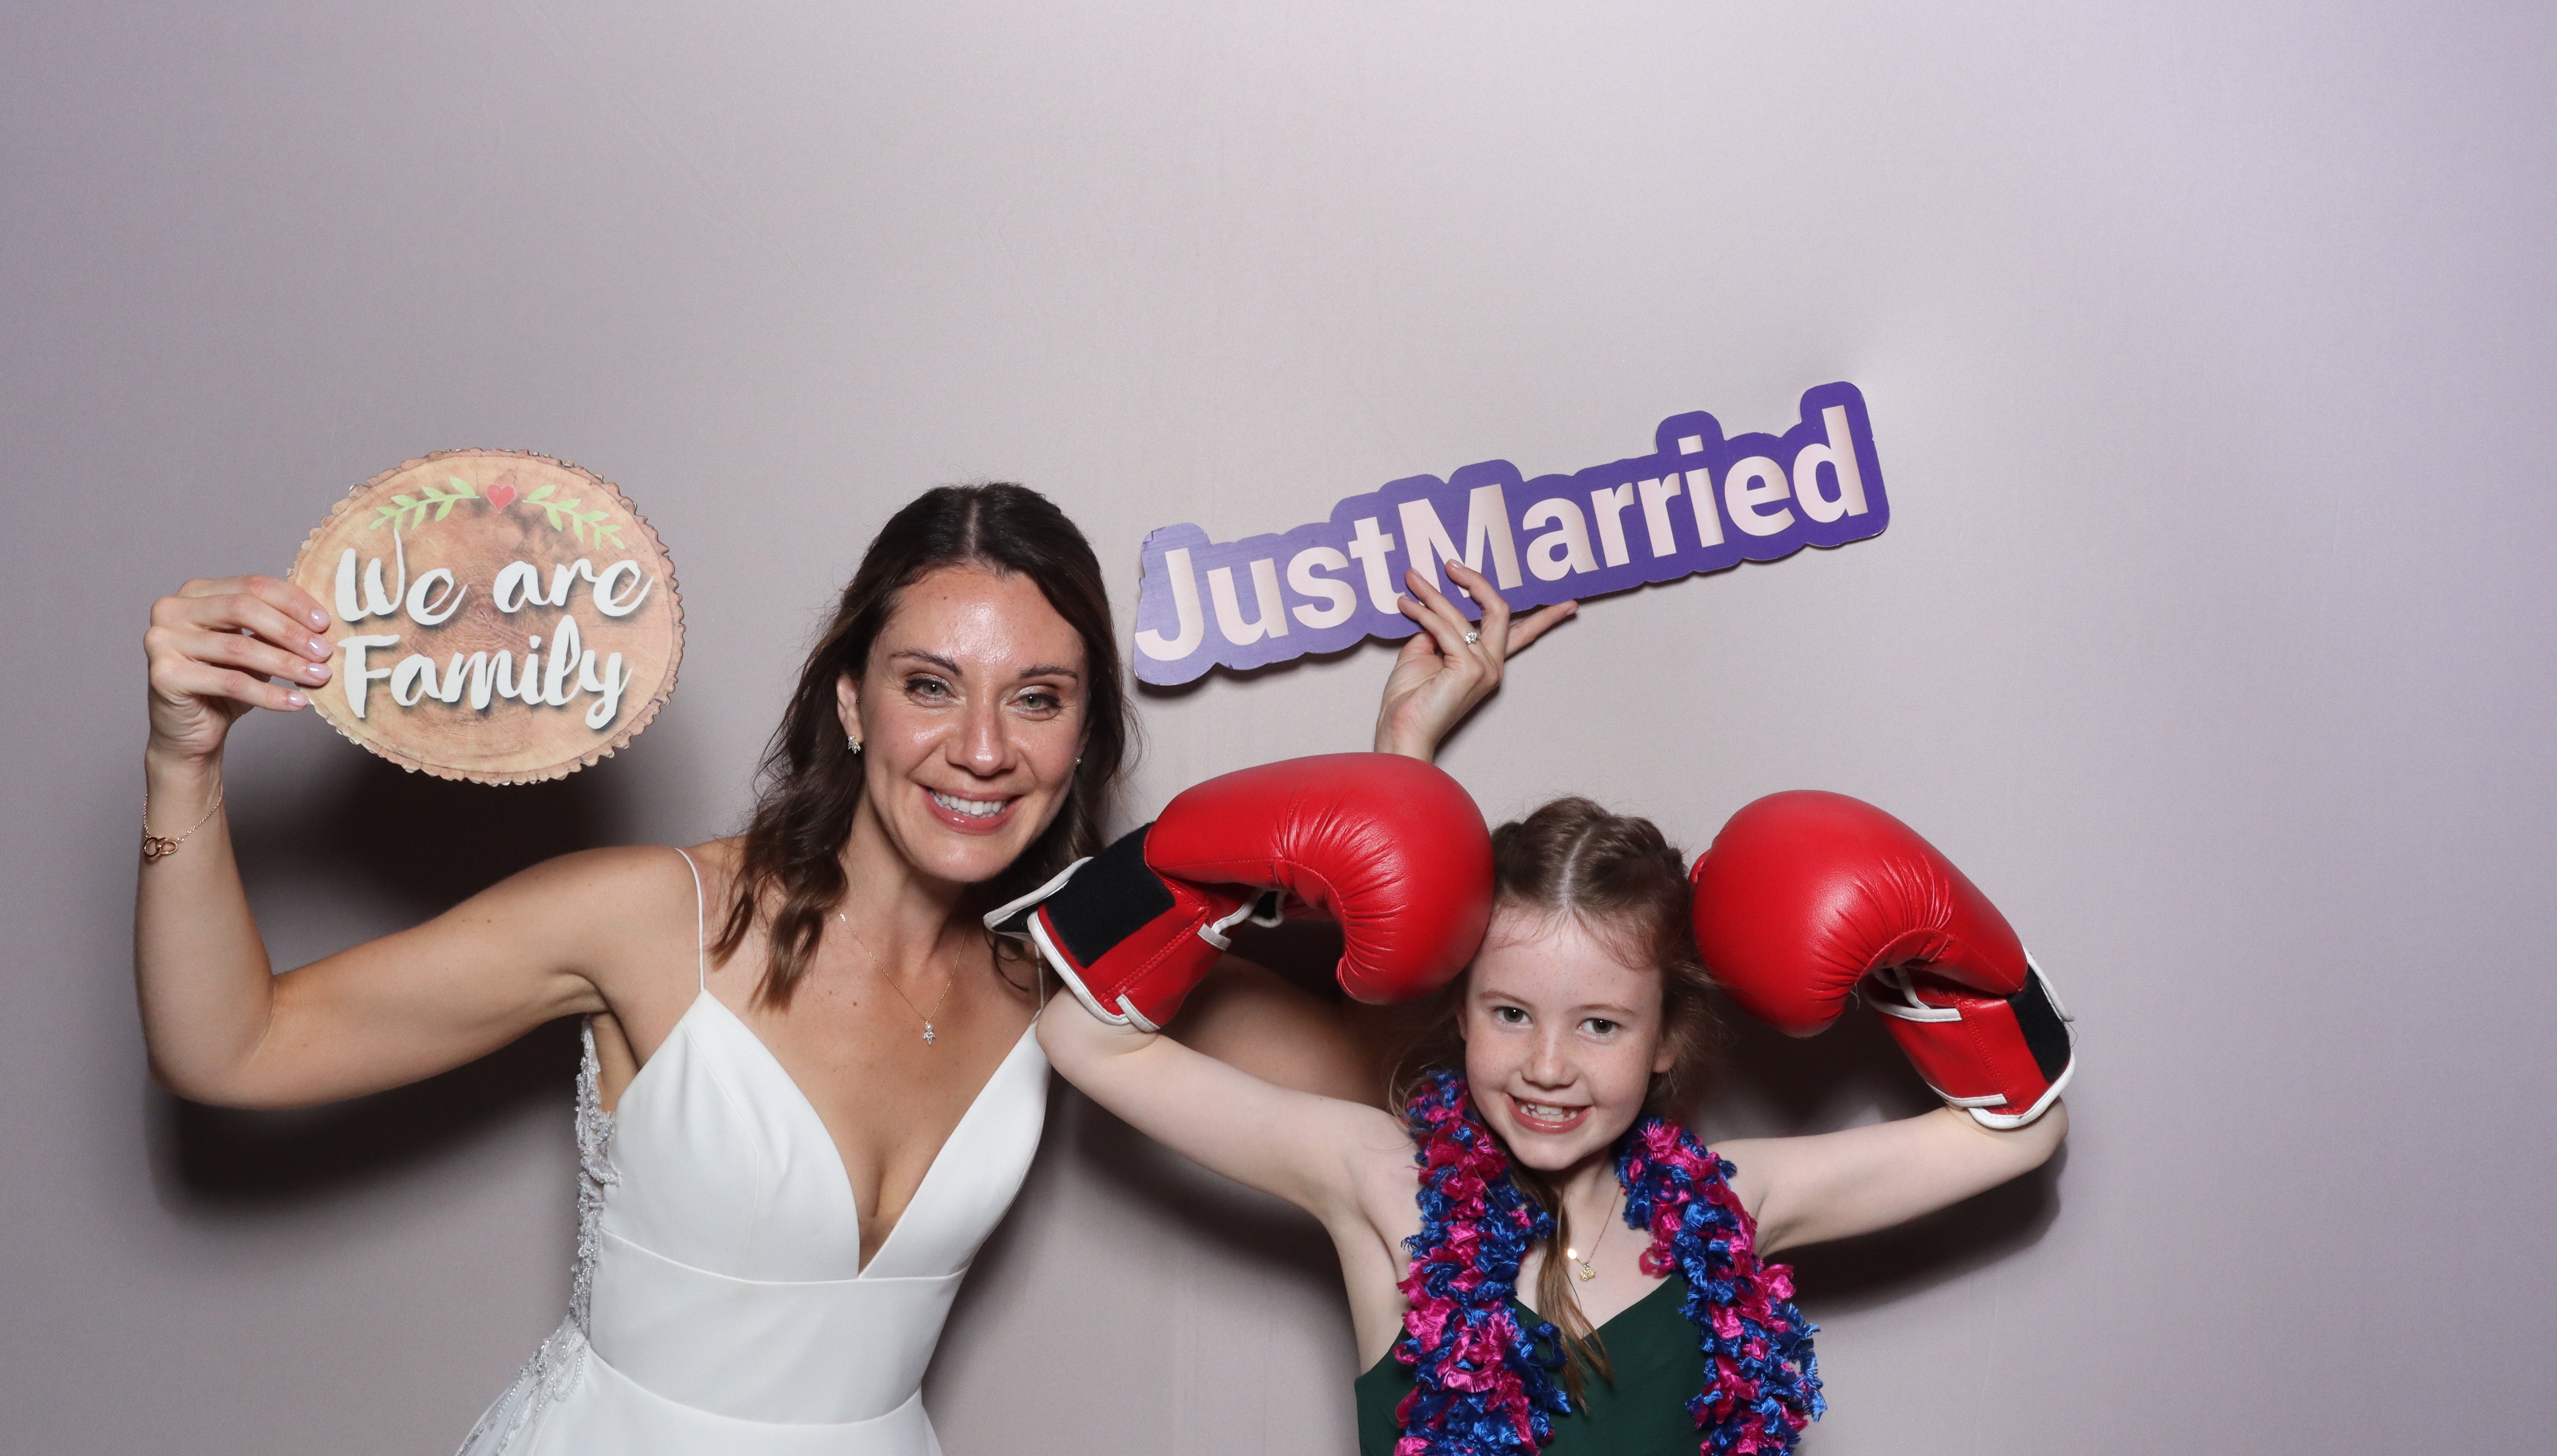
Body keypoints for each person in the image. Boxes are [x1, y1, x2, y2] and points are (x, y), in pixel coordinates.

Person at [134, 483, 1567, 1456]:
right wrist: (185, 760)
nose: (983, 747)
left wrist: (1400, 786)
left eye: (1041, 699)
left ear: (1083, 741)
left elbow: (1395, 1100)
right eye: (931, 683)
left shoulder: (1066, 961)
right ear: (851, 697)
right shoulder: (656, 918)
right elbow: (236, 1049)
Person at [1031, 761, 2072, 1455]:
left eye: (1602, 1025)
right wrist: (1230, 884)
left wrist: (1923, 957)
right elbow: (1085, 1038)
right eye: (1512, 1011)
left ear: (1667, 1037)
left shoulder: (1733, 1201)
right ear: (1464, 1008)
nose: (1547, 1065)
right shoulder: (1376, 1177)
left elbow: (2019, 1129)